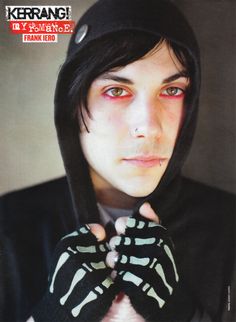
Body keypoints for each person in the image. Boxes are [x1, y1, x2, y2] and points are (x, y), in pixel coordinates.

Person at [0, 0, 235, 321]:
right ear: (71, 104)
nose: (149, 127)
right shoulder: (8, 228)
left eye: (173, 90)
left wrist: (186, 314)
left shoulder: (228, 229)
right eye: (116, 90)